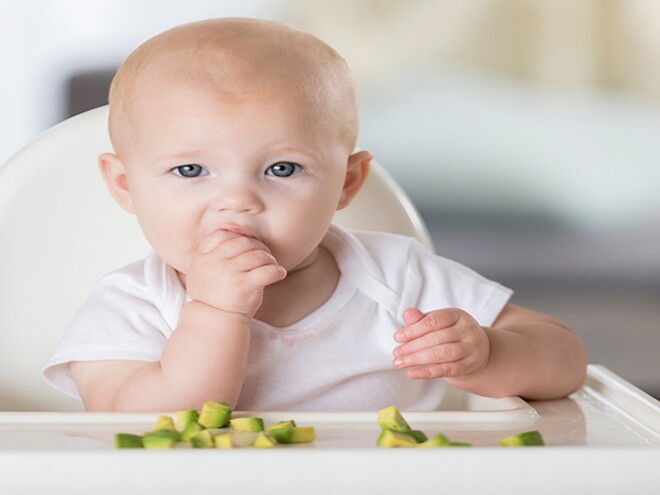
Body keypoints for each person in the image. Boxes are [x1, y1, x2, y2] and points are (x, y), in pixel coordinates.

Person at [42, 18, 587, 412]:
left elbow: (565, 359)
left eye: (281, 169)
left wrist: (488, 355)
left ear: (346, 182)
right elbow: (134, 425)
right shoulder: (133, 304)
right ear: (125, 186)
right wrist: (213, 313)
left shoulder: (398, 277)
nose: (238, 201)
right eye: (190, 171)